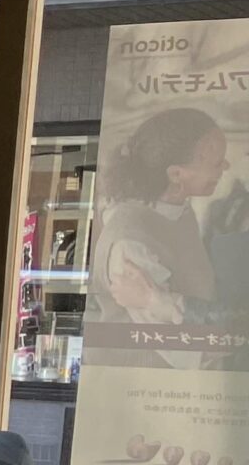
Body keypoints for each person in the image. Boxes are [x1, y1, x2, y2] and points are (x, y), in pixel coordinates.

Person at [95, 106, 223, 352]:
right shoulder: (130, 243)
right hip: (148, 369)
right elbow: (174, 347)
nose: (225, 166)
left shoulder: (179, 210)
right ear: (176, 174)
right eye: (217, 164)